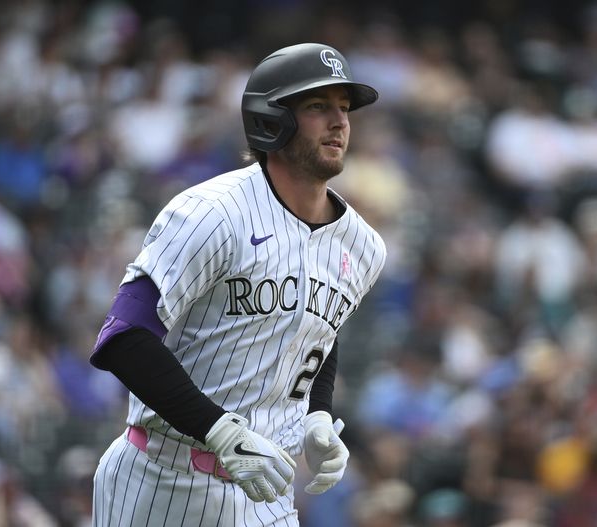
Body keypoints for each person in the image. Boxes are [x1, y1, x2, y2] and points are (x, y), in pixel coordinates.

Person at [90, 42, 386, 526]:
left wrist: (317, 412)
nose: (340, 122)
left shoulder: (364, 246)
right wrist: (219, 431)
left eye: (344, 108)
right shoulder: (211, 213)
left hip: (266, 494)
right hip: (160, 480)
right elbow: (124, 338)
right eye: (318, 106)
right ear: (272, 119)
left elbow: (318, 330)